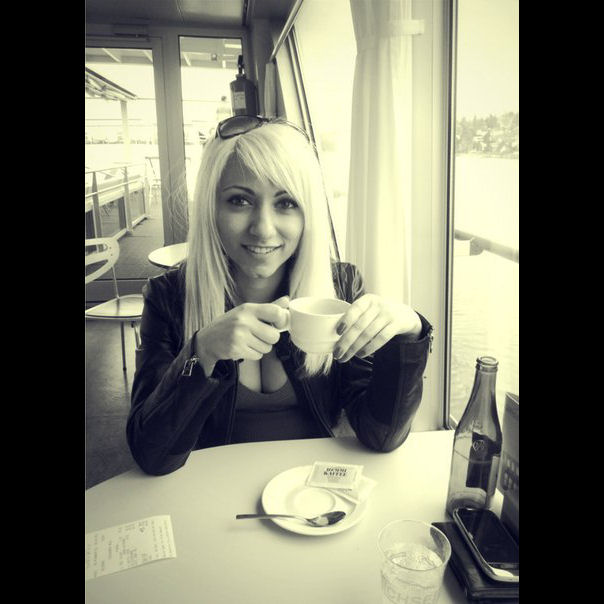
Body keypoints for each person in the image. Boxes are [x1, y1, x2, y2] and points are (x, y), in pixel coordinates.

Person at [127, 116, 433, 476]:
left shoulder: (341, 287)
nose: (263, 228)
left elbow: (381, 436)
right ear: (211, 208)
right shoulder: (168, 298)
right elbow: (152, 455)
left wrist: (409, 333)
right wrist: (201, 352)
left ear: (308, 215)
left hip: (307, 497)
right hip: (209, 492)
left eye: (286, 203)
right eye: (240, 200)